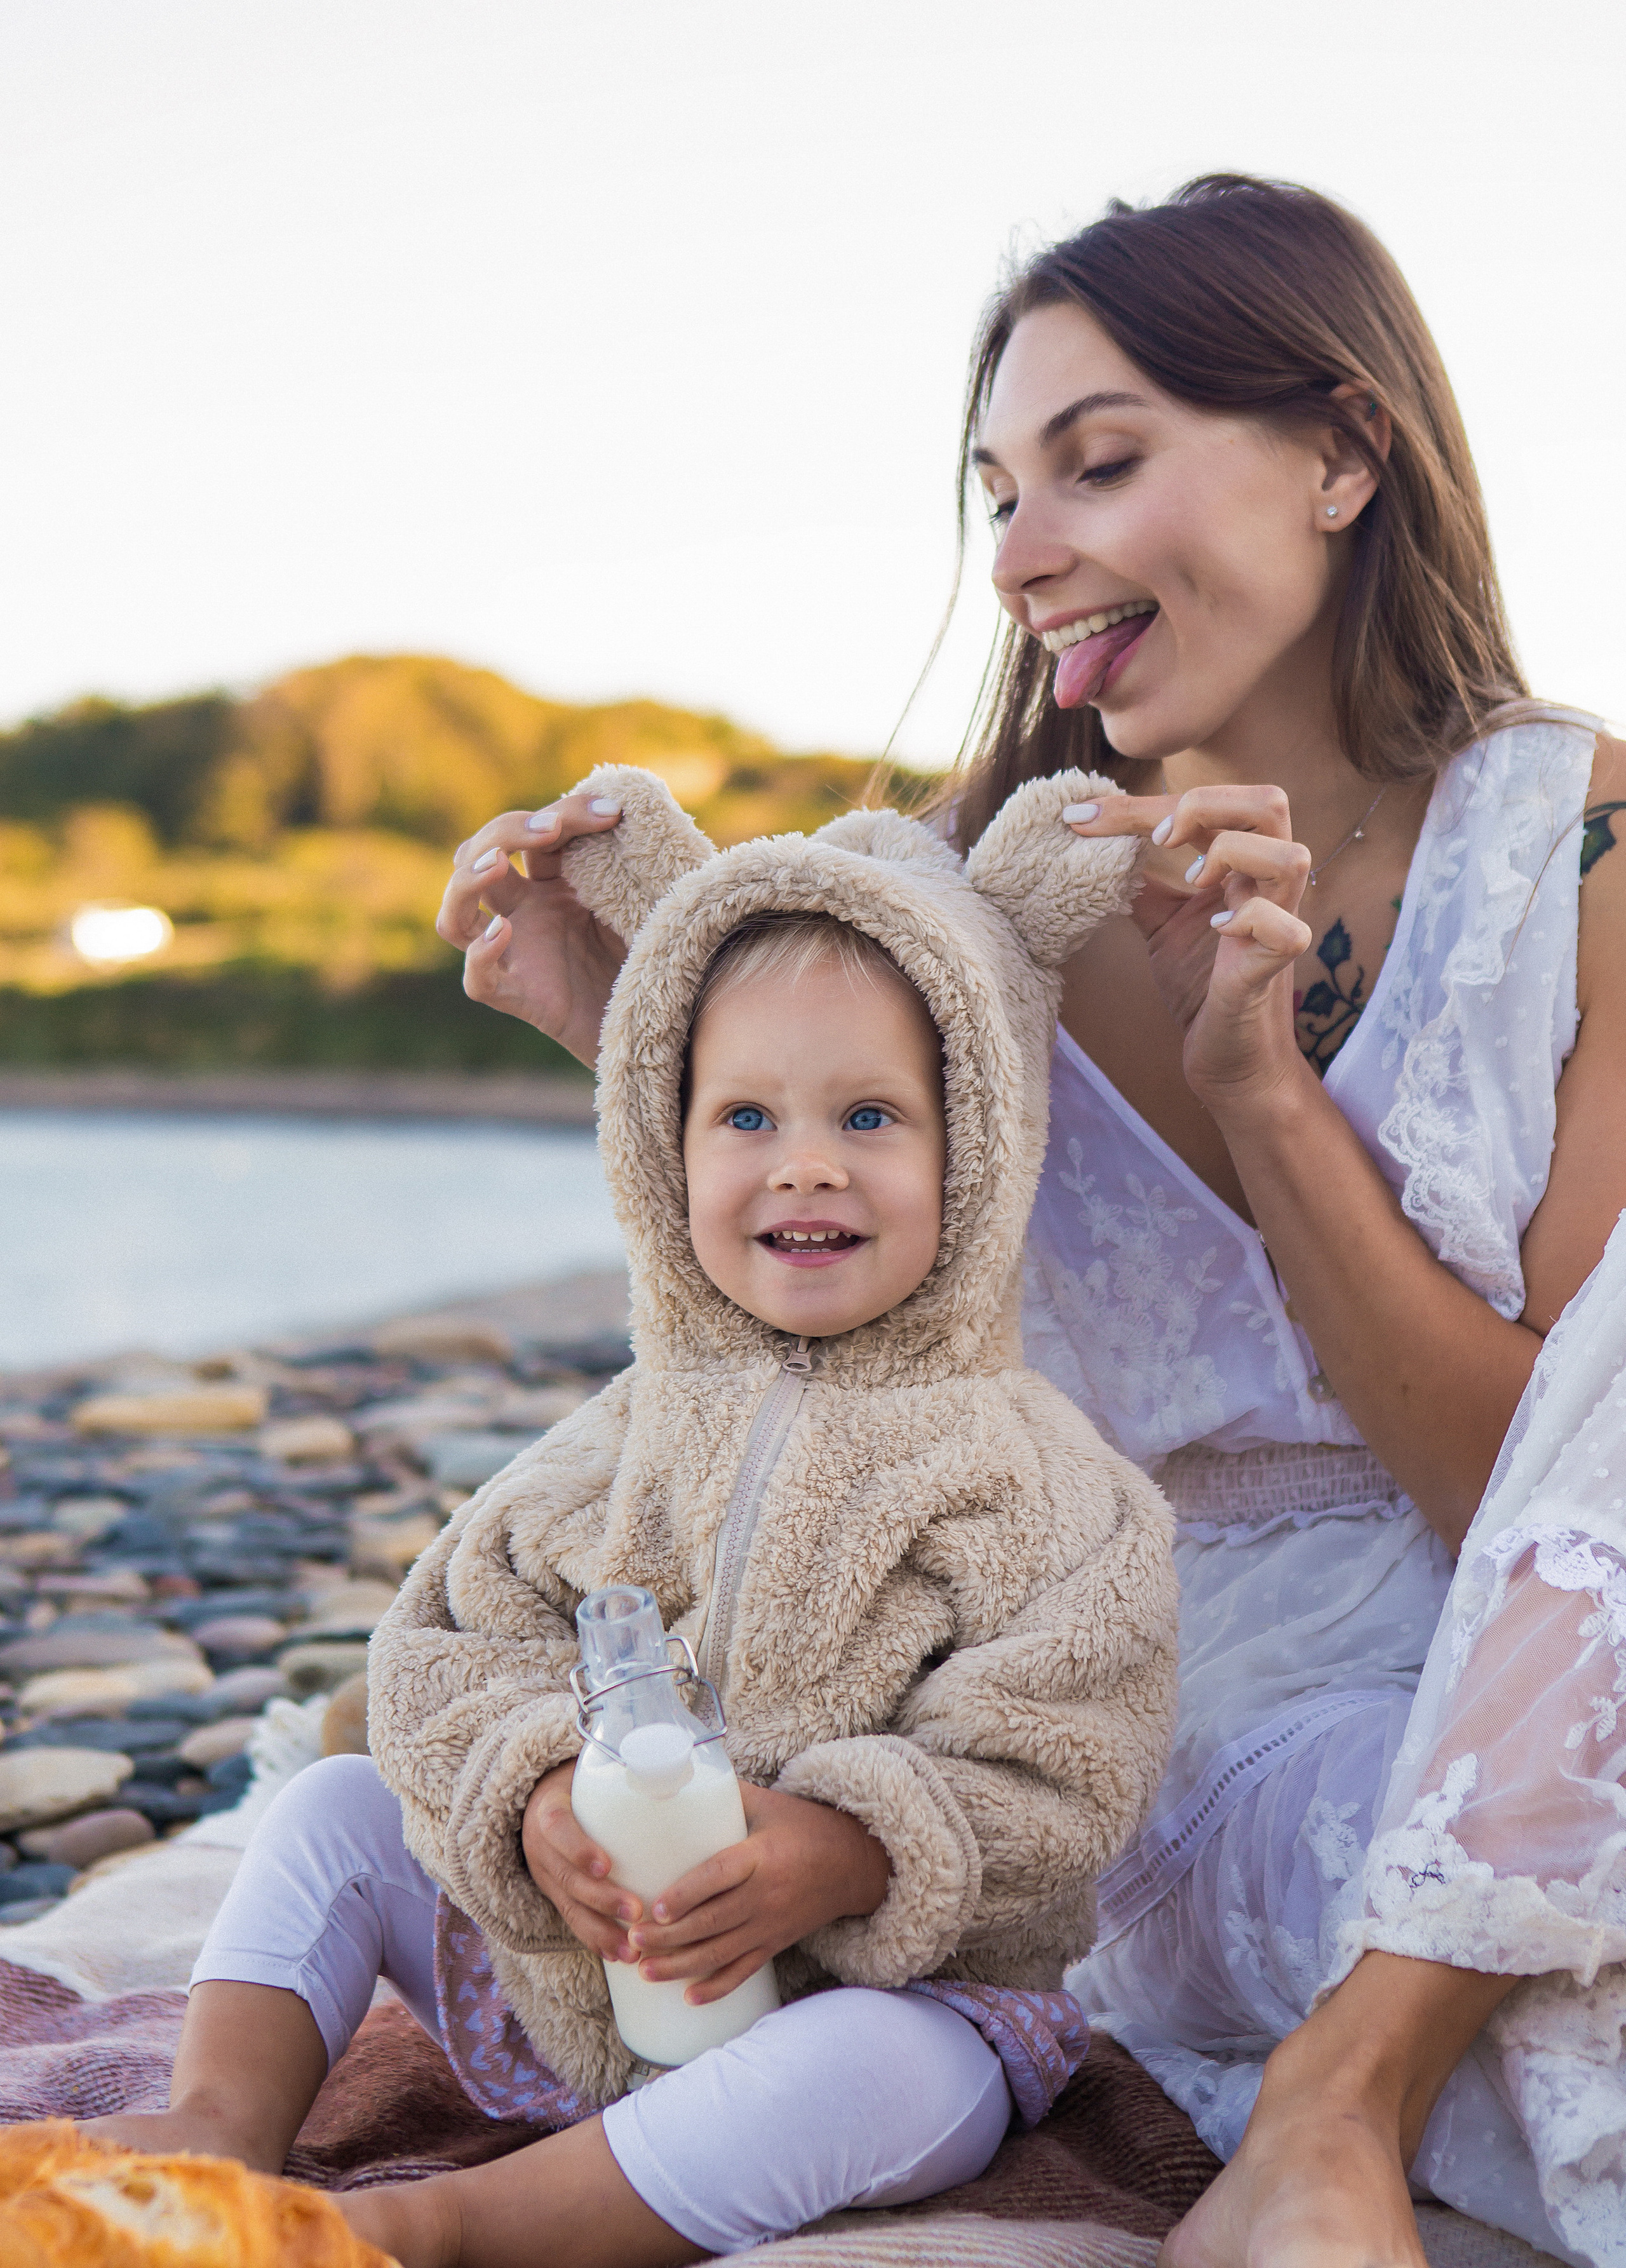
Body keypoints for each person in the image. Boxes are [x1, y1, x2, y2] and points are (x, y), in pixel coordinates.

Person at [435, 177, 1626, 2267]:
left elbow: (1534, 1488)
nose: (1023, 556)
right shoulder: (941, 912)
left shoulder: (1582, 839)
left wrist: (1270, 1093)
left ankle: (1339, 2104)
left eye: (1102, 461)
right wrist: (613, 1028)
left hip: (1563, 1653)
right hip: (1180, 1723)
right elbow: (801, 1371)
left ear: (1346, 451)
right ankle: (1351, 2088)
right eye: (999, 492)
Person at [78, 772, 1178, 2266]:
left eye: (868, 1114)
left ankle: (455, 2224)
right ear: (665, 1151)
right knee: (336, 1807)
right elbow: (443, 1654)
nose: (803, 1161)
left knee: (895, 2069)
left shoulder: (1043, 1481)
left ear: (977, 1146)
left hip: (873, 2001)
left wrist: (854, 1846)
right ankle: (218, 2121)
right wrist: (529, 1797)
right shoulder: (615, 1436)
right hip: (582, 1994)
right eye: (745, 1115)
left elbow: (1070, 1747)